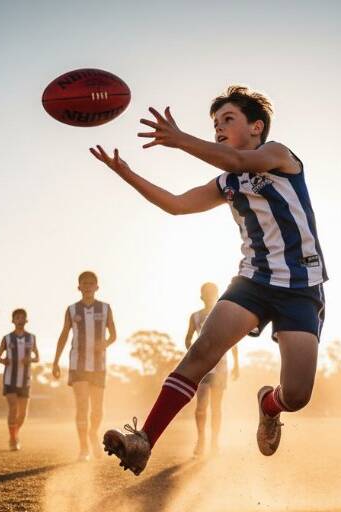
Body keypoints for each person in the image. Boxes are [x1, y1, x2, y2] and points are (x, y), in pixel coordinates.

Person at [92, 85, 327, 475]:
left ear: (257, 126)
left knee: (298, 395)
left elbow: (236, 158)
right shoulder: (227, 184)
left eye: (227, 120)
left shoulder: (279, 155)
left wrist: (180, 139)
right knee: (200, 355)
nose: (218, 128)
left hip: (301, 288)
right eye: (214, 123)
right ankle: (143, 441)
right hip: (252, 281)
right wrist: (127, 174)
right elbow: (177, 205)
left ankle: (269, 404)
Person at [53, 271, 116, 461]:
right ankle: (83, 449)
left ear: (97, 287)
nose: (88, 286)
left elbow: (113, 335)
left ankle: (93, 433)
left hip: (98, 365)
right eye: (84, 283)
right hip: (78, 364)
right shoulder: (72, 310)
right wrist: (55, 361)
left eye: (91, 283)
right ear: (79, 287)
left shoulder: (105, 308)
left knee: (97, 409)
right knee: (82, 406)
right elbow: (64, 335)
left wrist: (104, 344)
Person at [185, 282, 240, 456]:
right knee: (201, 406)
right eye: (206, 292)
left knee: (216, 408)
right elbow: (188, 339)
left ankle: (214, 443)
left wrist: (236, 364)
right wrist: (193, 353)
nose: (209, 295)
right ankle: (201, 440)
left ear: (217, 294)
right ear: (202, 296)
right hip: (202, 367)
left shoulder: (224, 314)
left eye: (212, 292)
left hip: (221, 366)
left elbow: (233, 339)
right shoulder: (195, 317)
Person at [0, 308, 39, 451]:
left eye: (22, 318)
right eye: (17, 318)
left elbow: (37, 357)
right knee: (13, 408)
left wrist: (30, 359)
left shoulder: (31, 338)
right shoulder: (7, 338)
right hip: (10, 379)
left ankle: (14, 434)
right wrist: (4, 361)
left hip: (25, 380)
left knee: (23, 414)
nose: (20, 320)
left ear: (26, 320)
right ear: (13, 320)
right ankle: (13, 440)